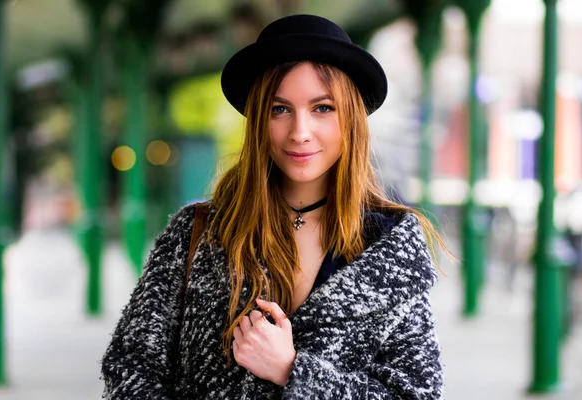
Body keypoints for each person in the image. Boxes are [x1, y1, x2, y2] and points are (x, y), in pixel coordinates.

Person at [101, 14, 447, 399]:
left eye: (322, 108)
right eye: (279, 109)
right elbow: (130, 366)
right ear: (258, 121)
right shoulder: (196, 233)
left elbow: (416, 393)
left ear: (350, 119)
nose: (300, 132)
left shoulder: (388, 250)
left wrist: (293, 371)